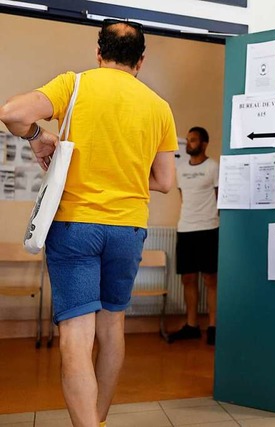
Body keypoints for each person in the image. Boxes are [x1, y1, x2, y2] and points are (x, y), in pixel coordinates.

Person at [0, 20, 177, 427]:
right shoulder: (158, 106)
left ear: (99, 53)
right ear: (141, 61)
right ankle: (97, 419)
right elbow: (165, 182)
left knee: (76, 335)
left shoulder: (76, 84)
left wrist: (38, 137)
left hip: (76, 226)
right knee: (112, 326)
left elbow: (12, 113)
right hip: (129, 229)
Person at [168, 126, 219, 346]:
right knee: (187, 278)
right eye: (188, 140)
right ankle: (191, 325)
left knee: (210, 279)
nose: (189, 144)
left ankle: (213, 326)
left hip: (209, 228)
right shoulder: (180, 170)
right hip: (186, 228)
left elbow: (219, 198)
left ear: (204, 144)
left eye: (194, 140)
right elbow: (183, 197)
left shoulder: (213, 167)